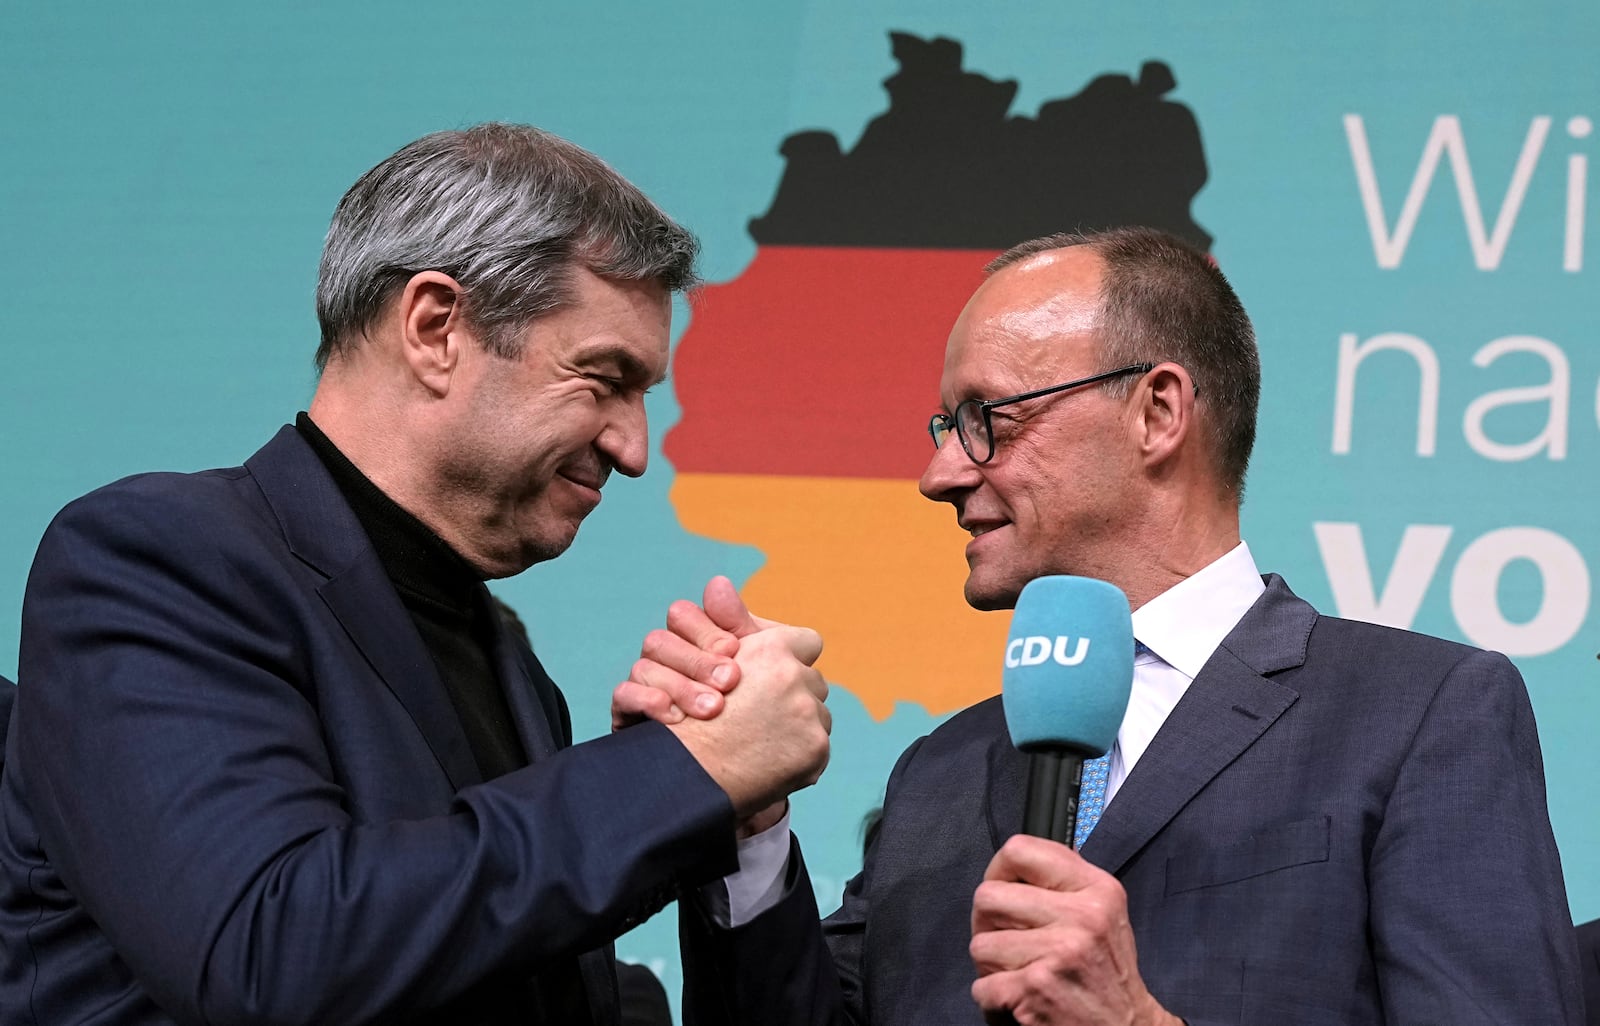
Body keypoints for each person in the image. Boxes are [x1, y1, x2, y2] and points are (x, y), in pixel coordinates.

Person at [617, 227, 1583, 1024]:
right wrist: (744, 829)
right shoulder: (937, 776)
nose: (940, 473)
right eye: (944, 428)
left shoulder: (1419, 715)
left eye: (987, 417)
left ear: (1158, 412)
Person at [0, 123, 830, 1025]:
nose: (634, 449)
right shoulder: (156, 561)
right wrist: (685, 769)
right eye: (603, 378)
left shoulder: (508, 660)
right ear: (436, 328)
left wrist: (733, 808)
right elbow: (269, 953)